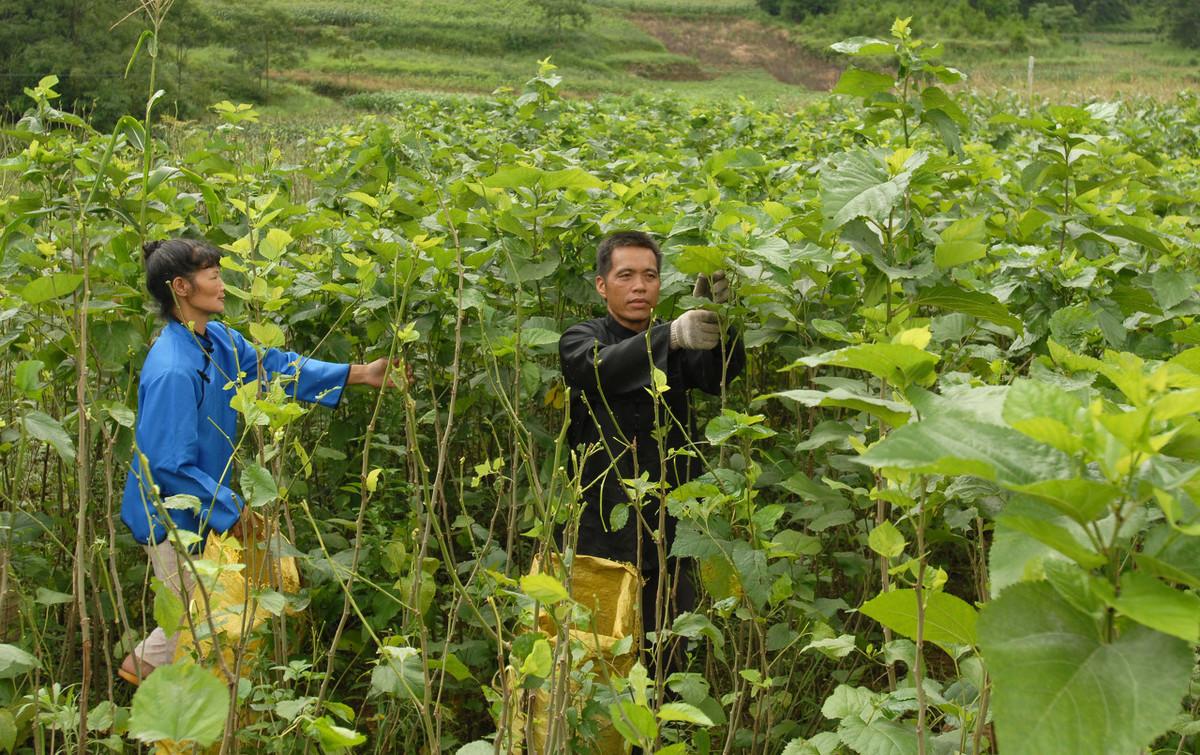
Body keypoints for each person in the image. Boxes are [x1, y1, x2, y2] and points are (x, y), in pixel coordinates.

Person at [118, 238, 394, 685]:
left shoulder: (219, 339)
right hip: (171, 517)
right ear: (182, 288)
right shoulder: (172, 367)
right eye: (213, 276)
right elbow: (169, 465)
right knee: (198, 626)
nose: (223, 286)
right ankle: (162, 716)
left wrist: (359, 373)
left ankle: (154, 687)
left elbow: (273, 366)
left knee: (201, 621)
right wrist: (231, 507)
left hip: (205, 507)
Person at [558, 230, 745, 641]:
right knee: (599, 646)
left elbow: (717, 376)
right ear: (602, 286)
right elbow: (598, 367)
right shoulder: (581, 339)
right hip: (602, 522)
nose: (640, 286)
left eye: (650, 275)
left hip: (670, 524)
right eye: (626, 276)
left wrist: (718, 317)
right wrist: (672, 336)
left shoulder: (677, 341)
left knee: (668, 644)